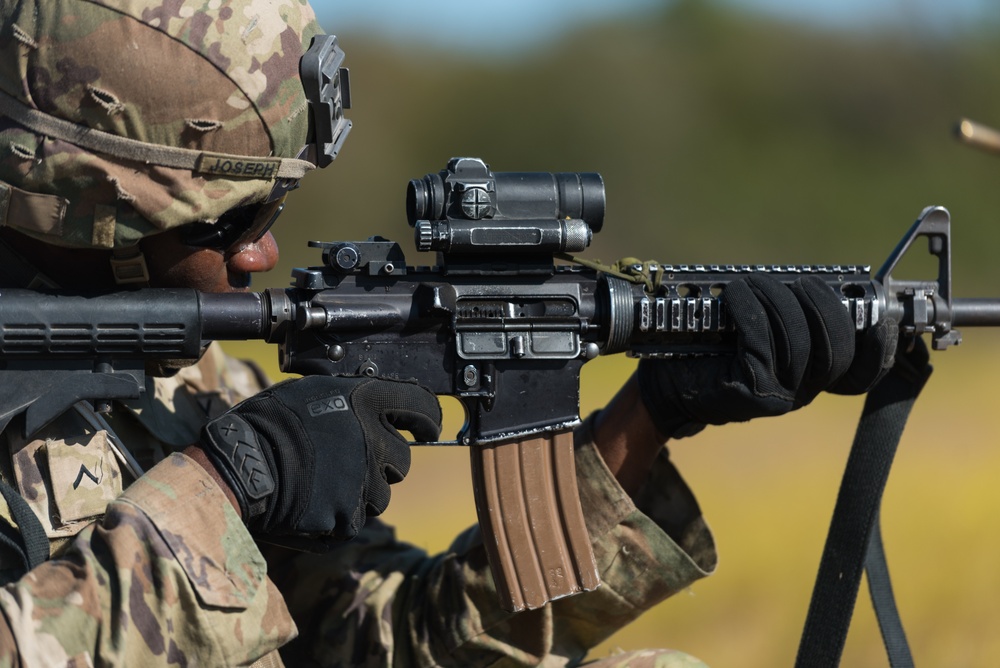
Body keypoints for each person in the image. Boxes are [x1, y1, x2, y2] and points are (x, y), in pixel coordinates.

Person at [0, 1, 898, 665]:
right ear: (88, 210)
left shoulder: (195, 390)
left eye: (276, 207)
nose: (264, 251)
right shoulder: (216, 428)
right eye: (232, 220)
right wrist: (222, 491)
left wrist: (654, 412)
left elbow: (392, 645)